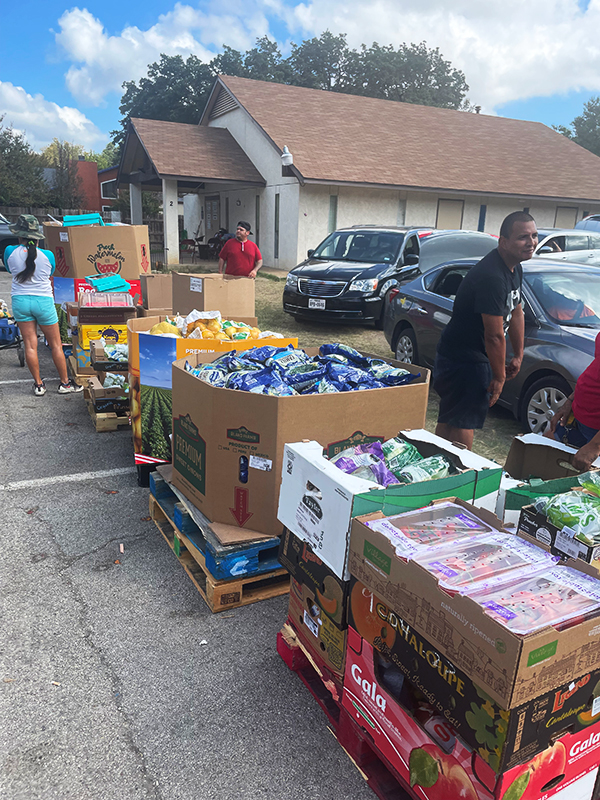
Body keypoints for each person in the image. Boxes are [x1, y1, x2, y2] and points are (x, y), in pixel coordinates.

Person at [433, 211, 535, 449]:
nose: (530, 242)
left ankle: (436, 465)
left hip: (469, 356)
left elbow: (517, 311)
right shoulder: (491, 276)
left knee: (452, 417)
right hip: (462, 359)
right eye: (522, 237)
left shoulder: (514, 268)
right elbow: (494, 335)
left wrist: (518, 355)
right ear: (504, 242)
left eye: (534, 235)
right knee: (462, 421)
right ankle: (460, 476)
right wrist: (499, 376)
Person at [4, 214, 83, 396]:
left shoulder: (9, 251)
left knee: (30, 345)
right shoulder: (48, 255)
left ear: (19, 236)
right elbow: (51, 272)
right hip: (44, 302)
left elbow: (9, 269)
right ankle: (65, 384)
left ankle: (39, 385)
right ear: (37, 237)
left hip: (21, 301)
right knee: (56, 345)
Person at [548, 331, 600, 471]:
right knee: (540, 458)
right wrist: (571, 400)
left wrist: (596, 445)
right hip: (578, 419)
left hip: (596, 435)